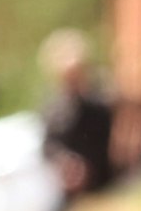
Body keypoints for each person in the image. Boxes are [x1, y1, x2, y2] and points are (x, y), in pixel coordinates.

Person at [38, 29, 117, 199]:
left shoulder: (103, 101)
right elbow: (48, 147)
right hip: (69, 195)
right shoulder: (53, 110)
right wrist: (66, 164)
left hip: (107, 186)